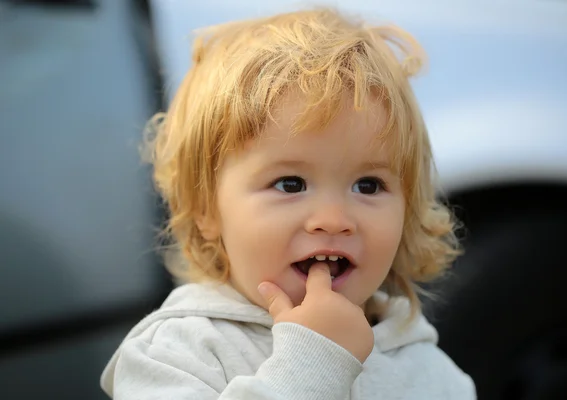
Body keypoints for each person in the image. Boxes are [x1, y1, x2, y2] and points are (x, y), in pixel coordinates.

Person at [100, 7, 476, 399]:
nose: (333, 220)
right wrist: (313, 366)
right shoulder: (175, 353)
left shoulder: (430, 371)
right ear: (206, 209)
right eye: (291, 183)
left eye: (368, 185)